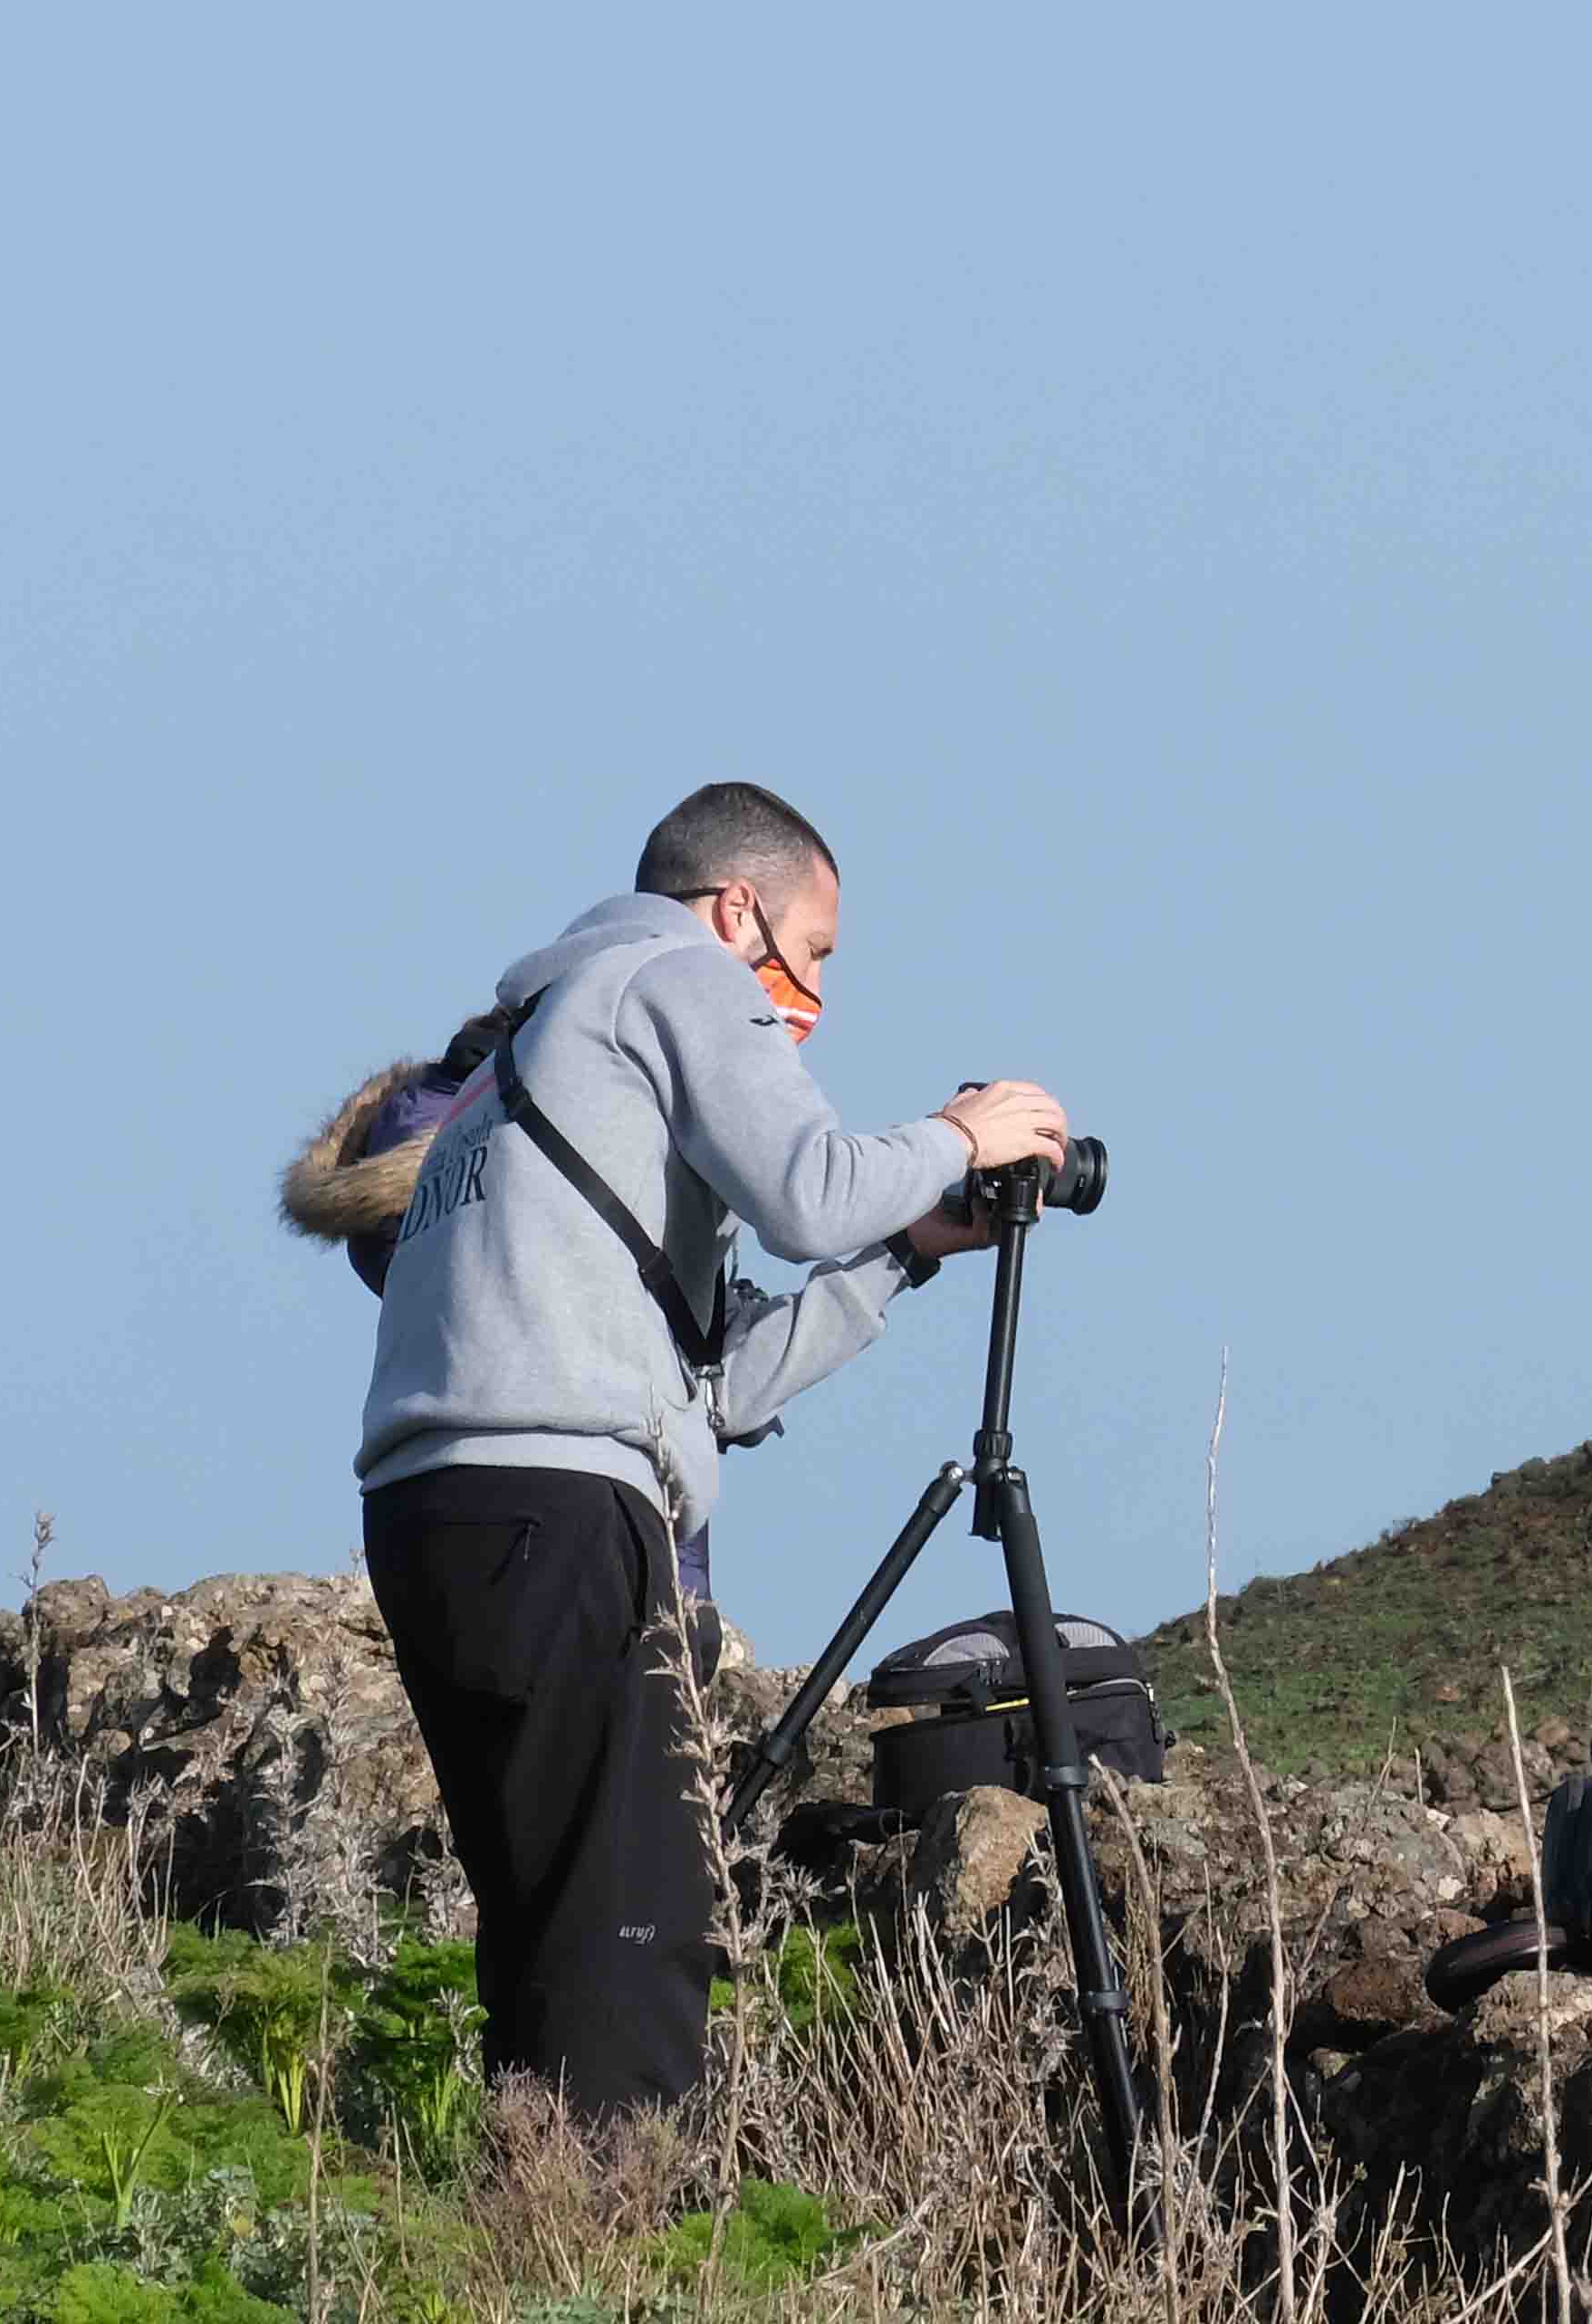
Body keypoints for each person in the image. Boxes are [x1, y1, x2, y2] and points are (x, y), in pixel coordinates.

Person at [349, 780, 1071, 2114]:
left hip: (435, 1511)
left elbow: (715, 1381)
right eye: (818, 952)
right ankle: (610, 2249)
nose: (811, 998)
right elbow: (807, 1191)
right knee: (643, 1912)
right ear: (741, 909)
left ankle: (533, 2222)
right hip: (560, 1499)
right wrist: (959, 1137)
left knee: (553, 1914)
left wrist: (905, 1256)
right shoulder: (673, 978)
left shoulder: (527, 1055)